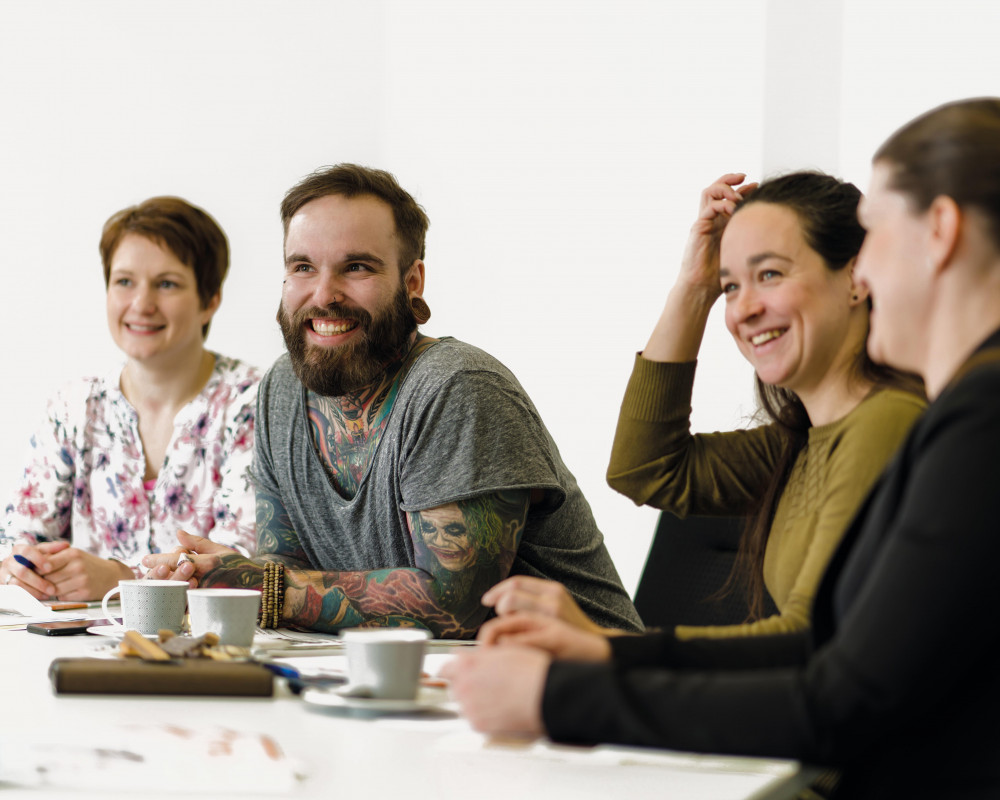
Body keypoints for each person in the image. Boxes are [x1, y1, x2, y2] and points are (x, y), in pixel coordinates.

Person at [442, 97, 1000, 797]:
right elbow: (651, 471)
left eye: (874, 234)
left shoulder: (966, 417)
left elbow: (840, 695)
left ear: (940, 230)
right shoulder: (834, 436)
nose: (867, 271)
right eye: (733, 284)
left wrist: (563, 698)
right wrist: (607, 655)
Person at [144, 164, 641, 638]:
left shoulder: (455, 387)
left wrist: (264, 588)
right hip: (412, 686)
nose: (323, 294)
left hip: (588, 688)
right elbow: (285, 573)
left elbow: (457, 607)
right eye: (302, 267)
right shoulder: (280, 392)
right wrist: (217, 576)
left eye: (356, 267)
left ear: (413, 282)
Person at [484, 171, 924, 640]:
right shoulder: (800, 443)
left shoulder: (886, 422)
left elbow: (808, 639)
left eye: (770, 274)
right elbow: (645, 469)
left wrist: (607, 645)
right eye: (730, 286)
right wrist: (695, 288)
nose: (742, 311)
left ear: (857, 279)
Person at [0, 197, 260, 601]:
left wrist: (119, 579)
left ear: (210, 300)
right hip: (81, 649)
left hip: (214, 653)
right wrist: (29, 567)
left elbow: (242, 563)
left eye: (167, 283)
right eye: (124, 281)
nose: (141, 305)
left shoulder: (253, 403)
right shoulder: (73, 407)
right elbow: (19, 538)